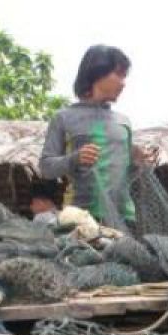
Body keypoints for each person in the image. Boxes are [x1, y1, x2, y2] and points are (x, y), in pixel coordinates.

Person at [40, 45, 135, 227]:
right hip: (80, 218)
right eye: (119, 74)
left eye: (125, 76)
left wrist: (138, 163)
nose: (123, 83)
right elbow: (46, 168)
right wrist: (75, 158)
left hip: (123, 219)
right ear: (97, 73)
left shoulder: (124, 123)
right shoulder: (64, 118)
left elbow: (126, 176)